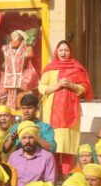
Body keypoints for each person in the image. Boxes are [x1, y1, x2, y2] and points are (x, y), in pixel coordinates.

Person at [38, 40, 93, 173]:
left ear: (70, 52)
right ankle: (54, 176)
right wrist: (57, 86)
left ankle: (67, 175)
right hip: (51, 112)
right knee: (53, 144)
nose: (63, 53)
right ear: (57, 51)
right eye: (61, 50)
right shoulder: (51, 68)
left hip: (70, 112)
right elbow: (41, 87)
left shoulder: (76, 68)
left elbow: (85, 88)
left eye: (66, 50)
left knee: (68, 145)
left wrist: (72, 86)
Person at [0, 30, 39, 109]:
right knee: (3, 95)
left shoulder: (24, 50)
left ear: (22, 41)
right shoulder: (6, 49)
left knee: (25, 92)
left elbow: (30, 54)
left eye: (17, 40)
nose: (14, 42)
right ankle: (1, 111)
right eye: (13, 39)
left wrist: (29, 43)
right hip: (8, 75)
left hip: (22, 74)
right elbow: (3, 64)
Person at [8, 121, 57, 186]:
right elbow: (9, 181)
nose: (27, 141)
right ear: (20, 139)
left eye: (31, 137)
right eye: (24, 138)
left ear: (36, 138)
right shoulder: (13, 157)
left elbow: (50, 184)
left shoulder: (47, 157)